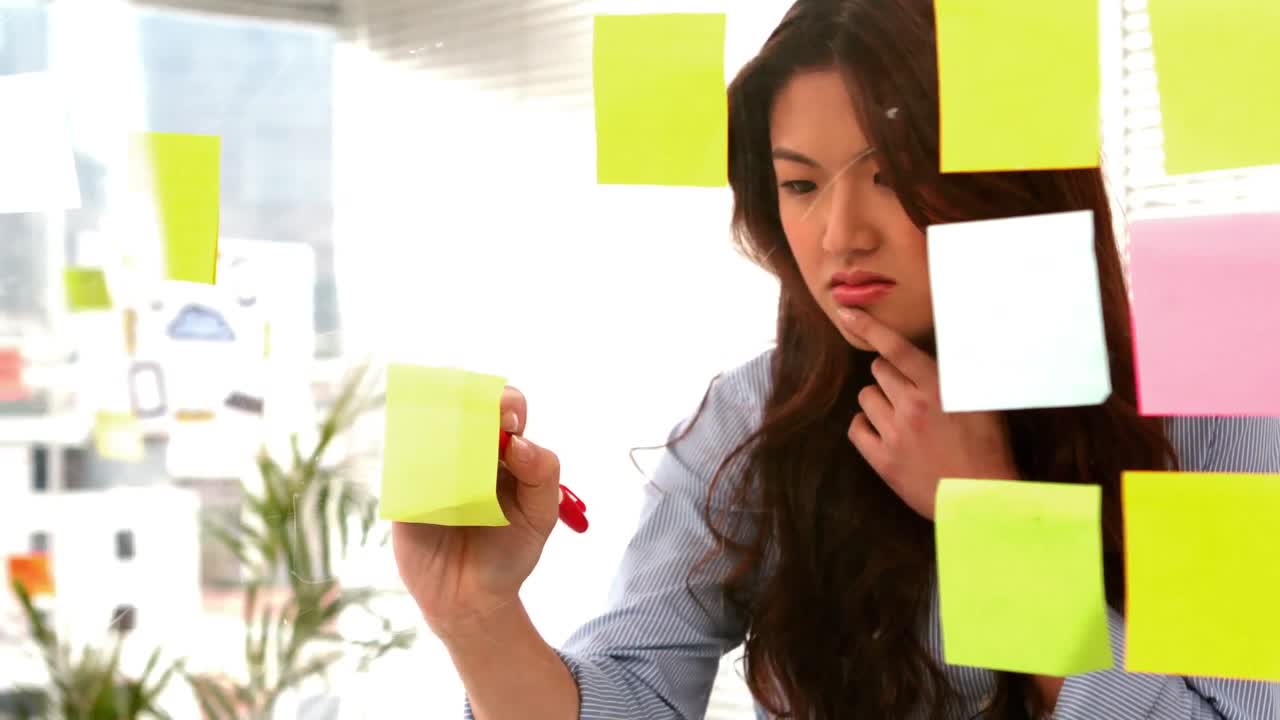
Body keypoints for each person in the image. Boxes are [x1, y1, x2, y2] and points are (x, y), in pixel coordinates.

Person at [391, 0, 1280, 718]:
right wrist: (477, 619)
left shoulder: (1202, 396)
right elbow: (637, 699)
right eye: (801, 185)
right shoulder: (756, 417)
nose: (839, 234)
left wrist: (994, 523)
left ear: (1009, 174)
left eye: (890, 171)